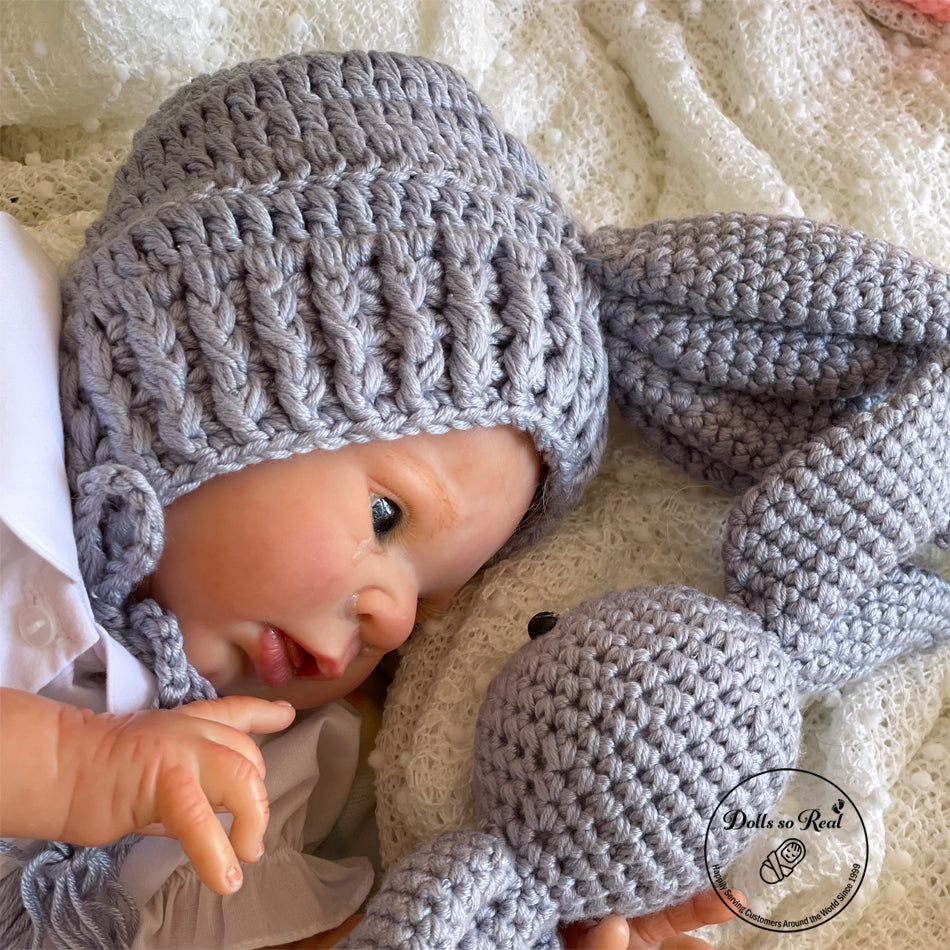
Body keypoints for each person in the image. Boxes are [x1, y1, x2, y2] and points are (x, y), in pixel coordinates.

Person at [0, 50, 739, 950]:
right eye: (385, 520)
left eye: (428, 603)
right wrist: (68, 770)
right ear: (208, 379)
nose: (390, 623)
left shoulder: (261, 767)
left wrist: (517, 925)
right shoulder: (16, 406)